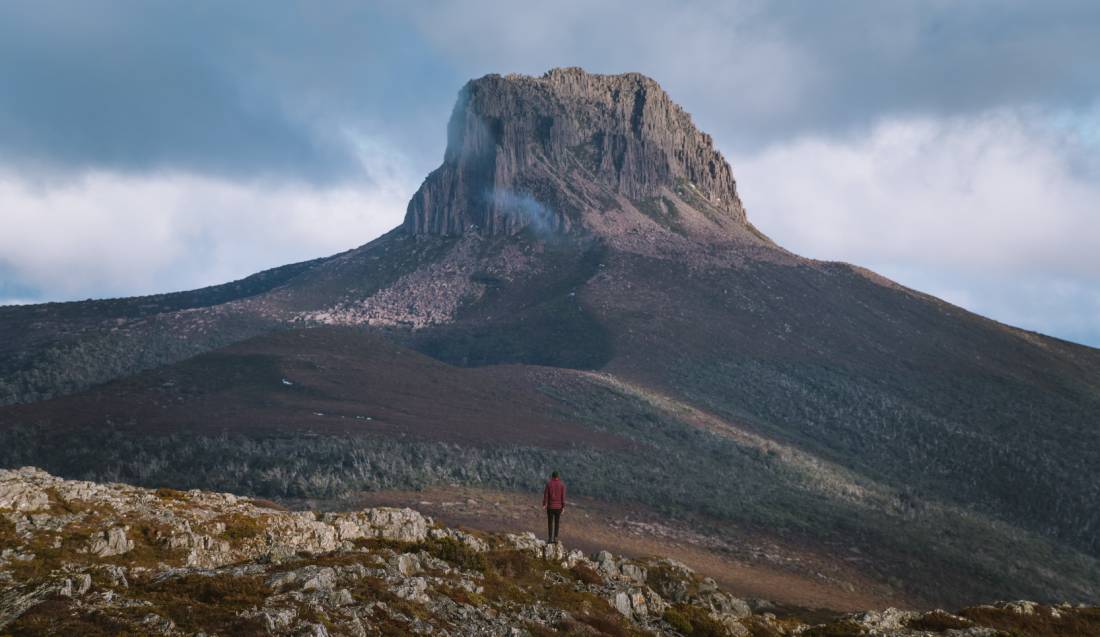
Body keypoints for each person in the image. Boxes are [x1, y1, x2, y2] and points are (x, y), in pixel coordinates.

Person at [542, 470, 566, 543]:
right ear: (558, 476)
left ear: (552, 476)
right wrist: (563, 507)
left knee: (550, 522)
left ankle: (550, 538)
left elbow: (545, 495)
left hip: (550, 507)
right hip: (558, 507)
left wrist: (544, 504)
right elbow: (563, 497)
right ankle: (555, 538)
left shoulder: (548, 484)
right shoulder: (562, 485)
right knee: (557, 523)